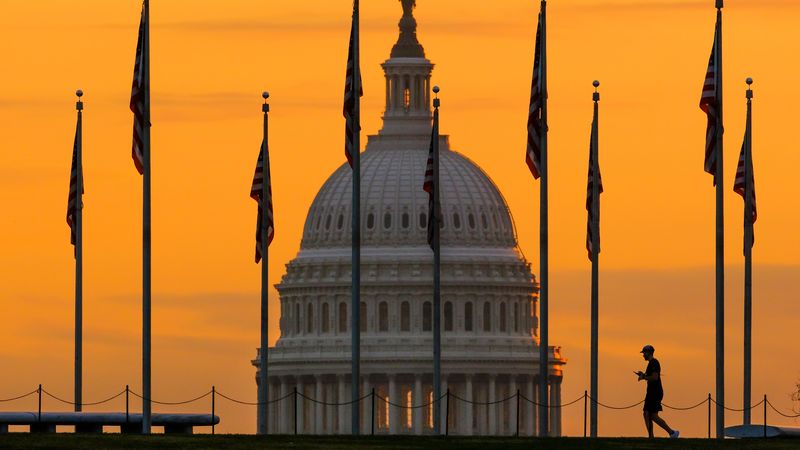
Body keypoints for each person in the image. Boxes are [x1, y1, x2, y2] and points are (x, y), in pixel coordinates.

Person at [635, 345, 679, 438]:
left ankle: (671, 433)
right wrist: (643, 374)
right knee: (647, 414)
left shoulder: (654, 363)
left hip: (655, 392)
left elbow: (655, 377)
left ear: (648, 353)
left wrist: (643, 377)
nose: (643, 355)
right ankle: (657, 435)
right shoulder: (651, 363)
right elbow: (651, 376)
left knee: (651, 415)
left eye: (644, 353)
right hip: (652, 392)